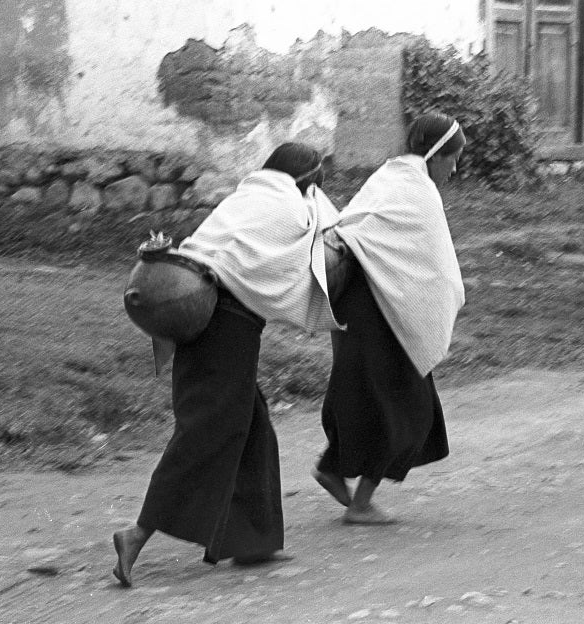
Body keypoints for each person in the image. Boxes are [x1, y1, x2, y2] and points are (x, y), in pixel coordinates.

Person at [113, 143, 341, 587]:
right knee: (208, 429)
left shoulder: (245, 199)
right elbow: (328, 241)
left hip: (195, 313)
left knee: (249, 422)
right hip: (227, 325)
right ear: (306, 181)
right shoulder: (295, 209)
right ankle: (137, 533)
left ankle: (252, 540)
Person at [313, 112, 467, 524]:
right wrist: (442, 298)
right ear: (435, 156)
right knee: (408, 407)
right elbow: (429, 264)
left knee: (367, 394)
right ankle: (360, 503)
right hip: (380, 308)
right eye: (452, 158)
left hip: (358, 302)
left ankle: (333, 468)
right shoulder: (419, 191)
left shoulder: (389, 176)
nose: (455, 167)